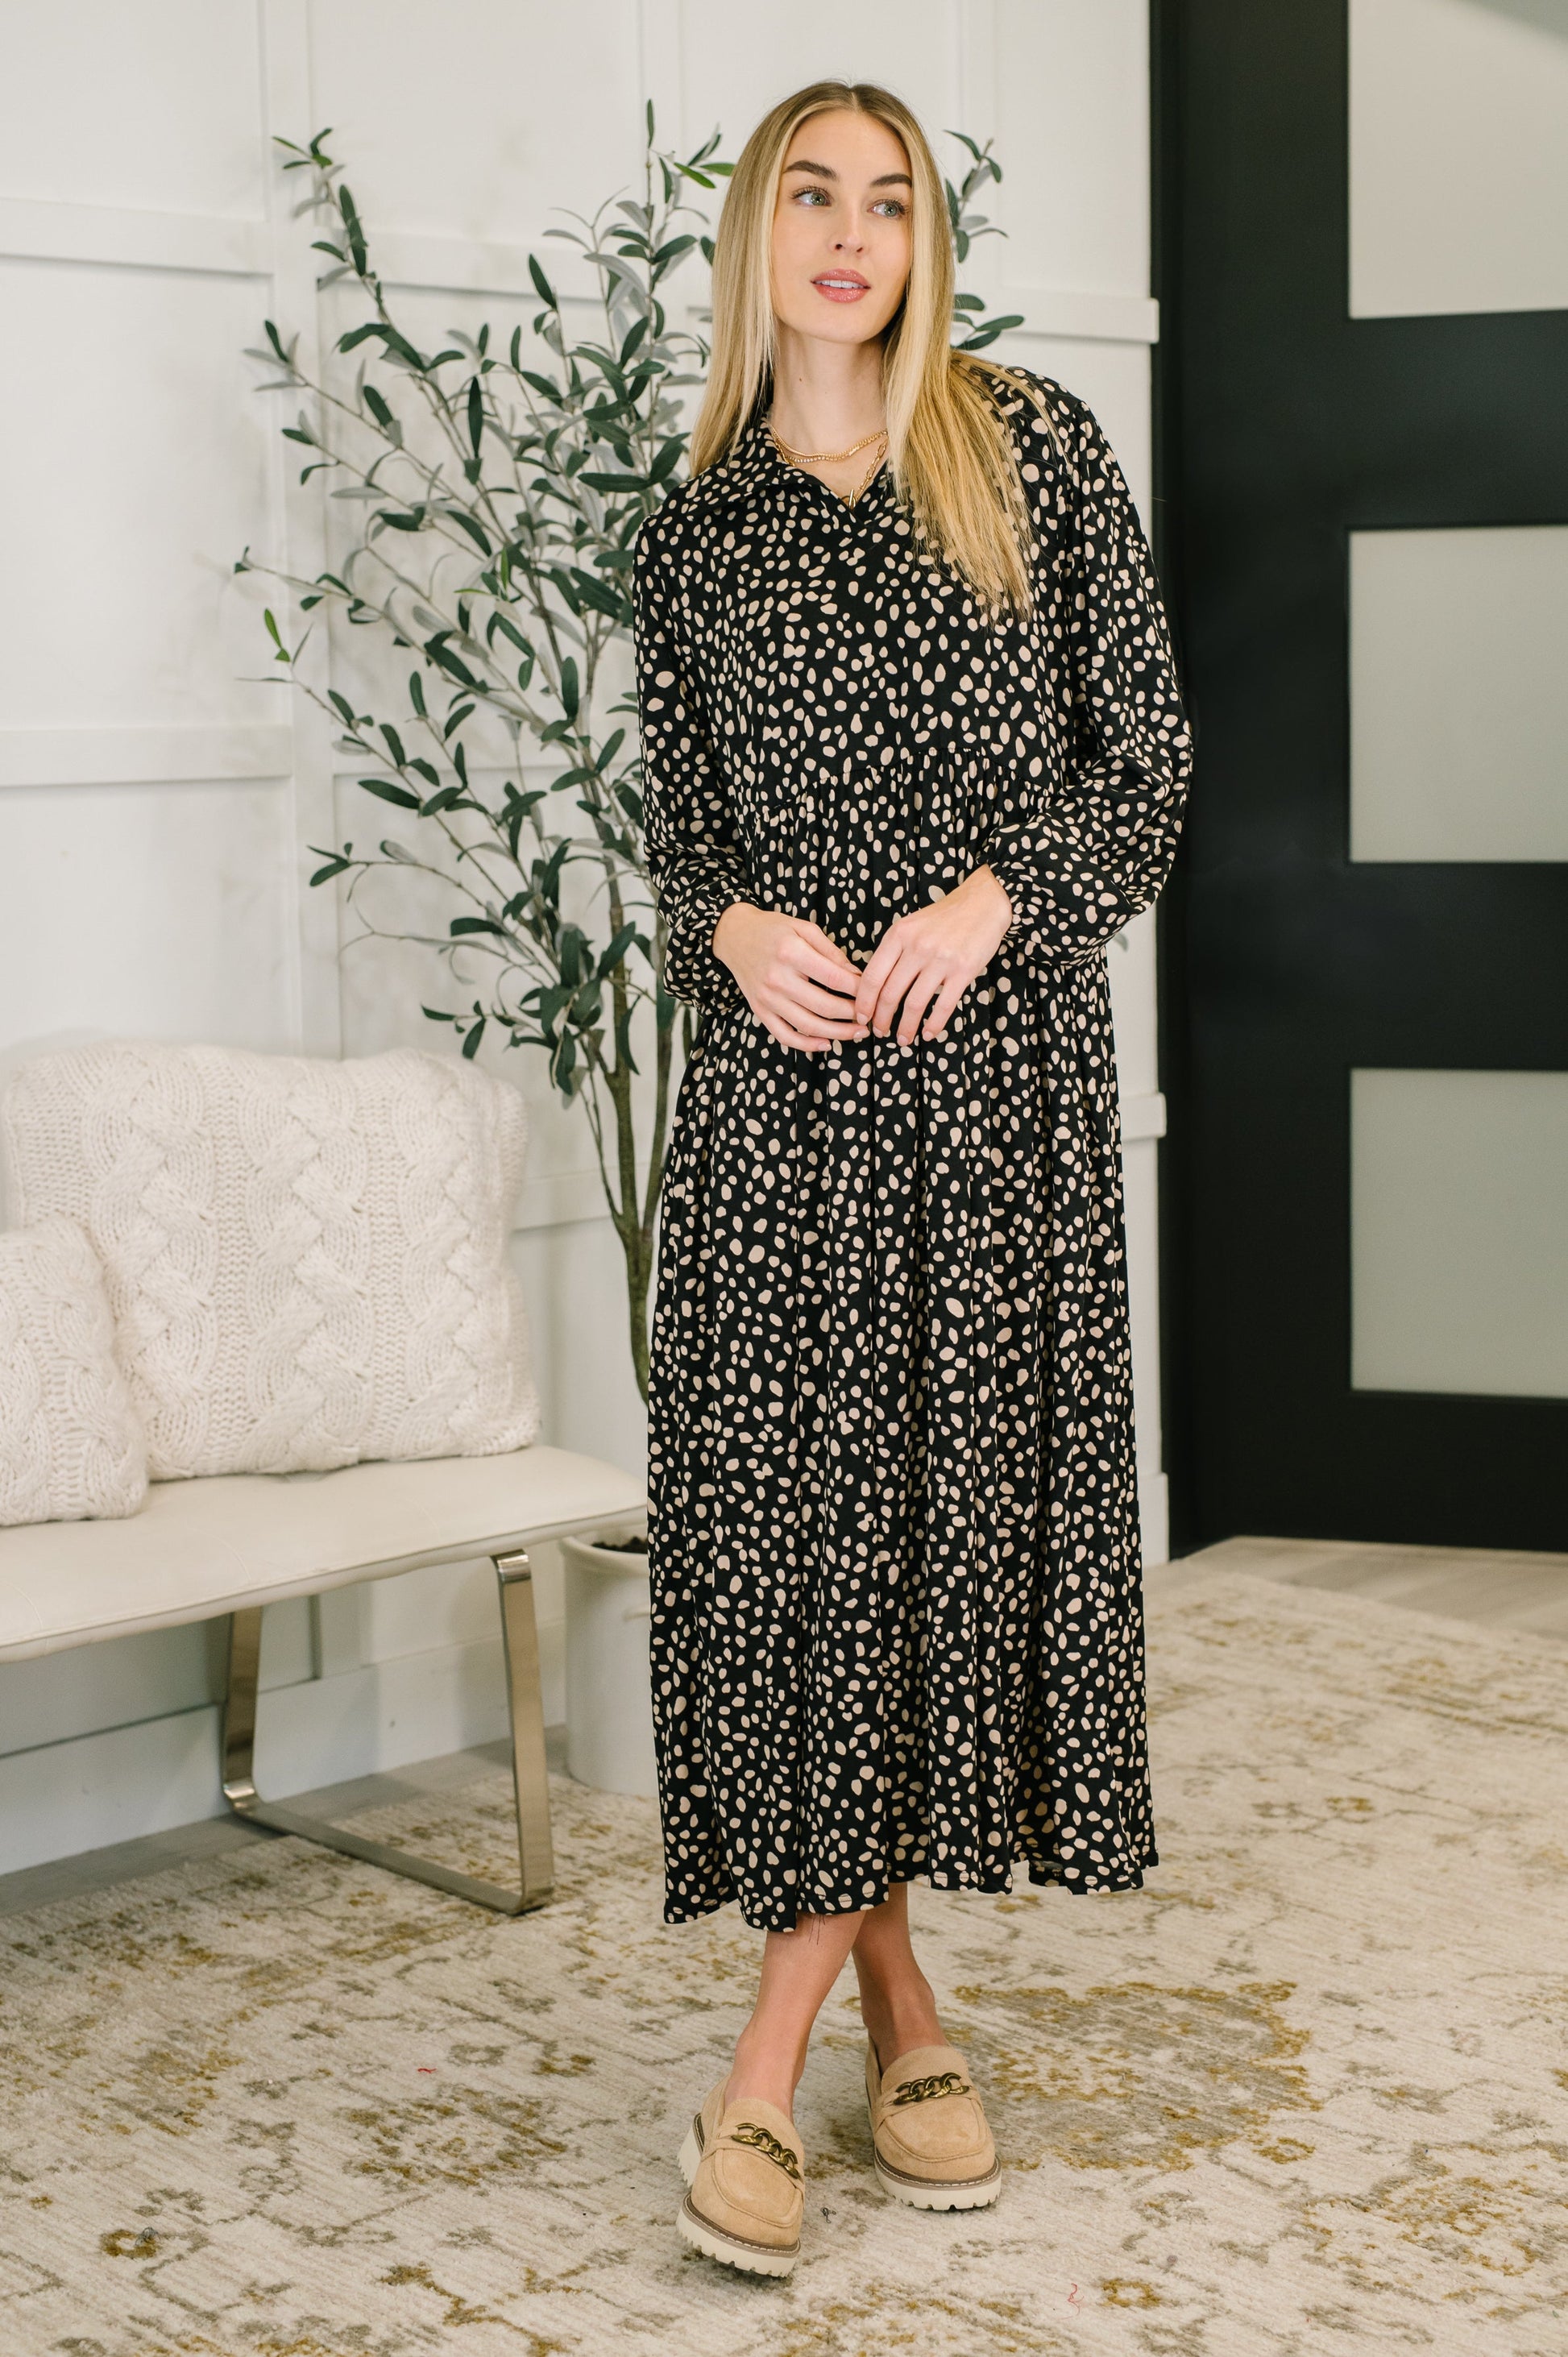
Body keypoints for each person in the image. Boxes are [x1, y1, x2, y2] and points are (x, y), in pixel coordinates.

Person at [631, 77, 1193, 2278]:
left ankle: (762, 2072)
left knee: (928, 1549)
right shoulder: (689, 535)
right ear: (757, 236)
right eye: (812, 197)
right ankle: (900, 2011)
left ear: (922, 244)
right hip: (780, 1125)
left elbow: (1146, 760)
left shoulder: (1032, 448)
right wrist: (725, 931)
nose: (851, 235)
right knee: (806, 1561)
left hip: (992, 1103)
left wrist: (997, 899)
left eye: (888, 203)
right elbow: (679, 837)